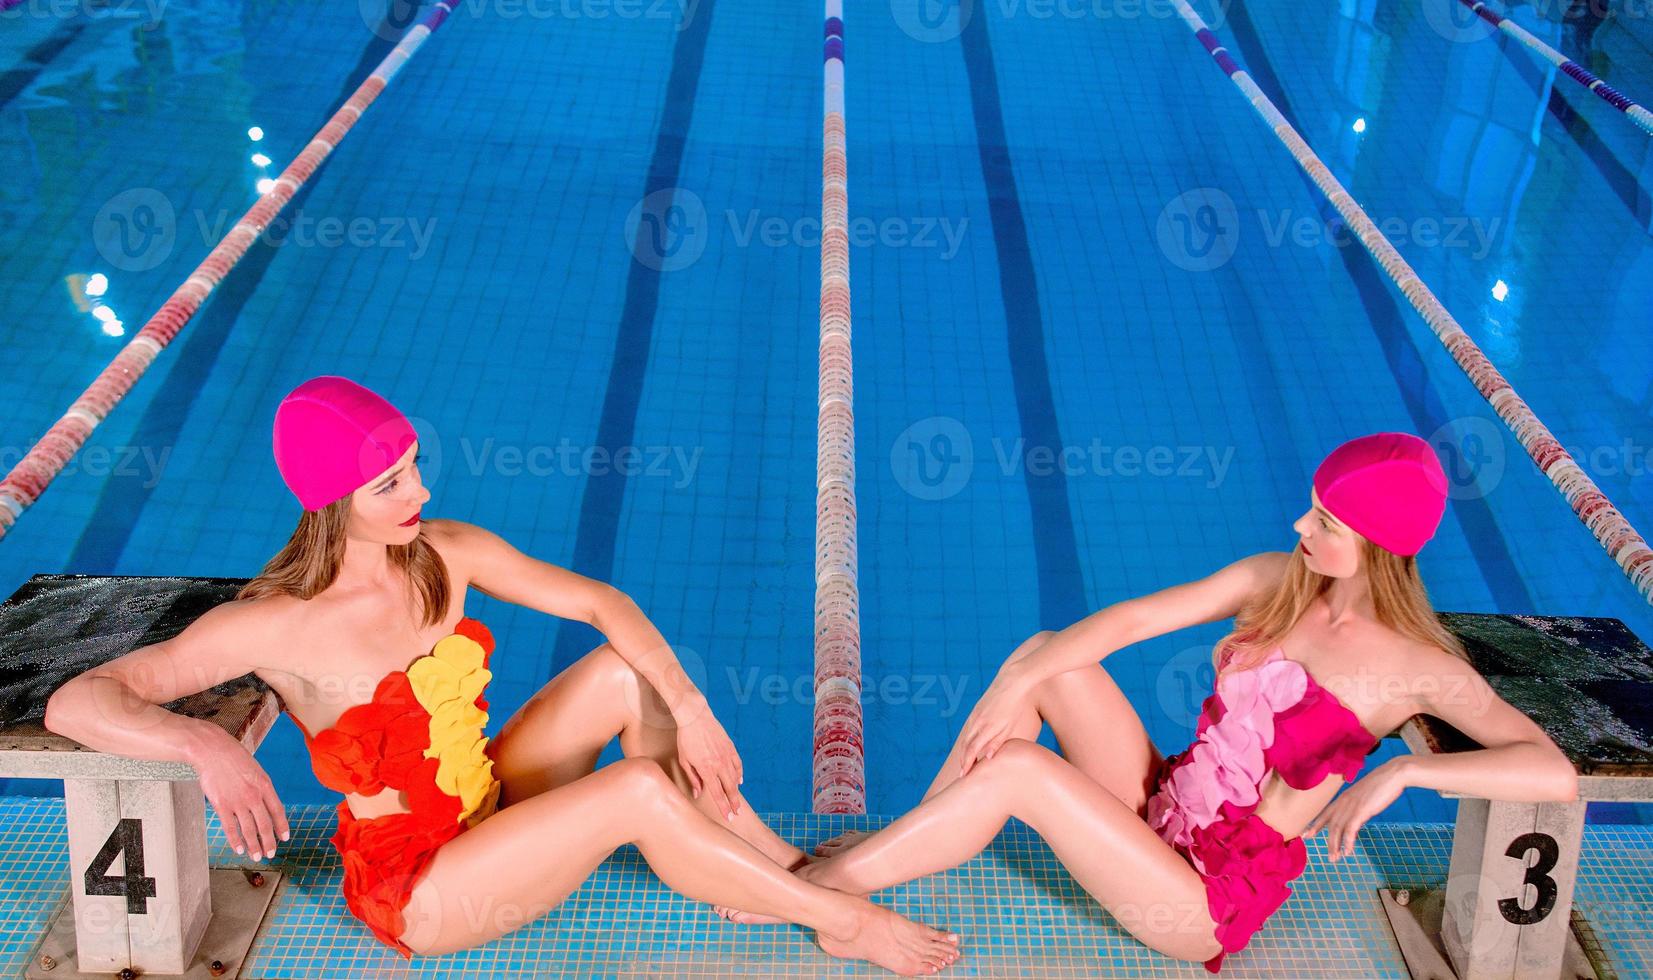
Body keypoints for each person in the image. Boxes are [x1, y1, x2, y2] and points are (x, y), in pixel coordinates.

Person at [43, 375, 962, 976]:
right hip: (421, 886)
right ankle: (833, 918)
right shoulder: (273, 624)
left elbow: (604, 604)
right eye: (390, 484)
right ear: (331, 502)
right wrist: (198, 741)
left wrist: (690, 705)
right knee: (635, 790)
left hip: (484, 805)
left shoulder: (442, 553)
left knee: (621, 675)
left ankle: (774, 865)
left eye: (413, 469)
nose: (421, 496)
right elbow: (79, 698)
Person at [724, 432, 1579, 973]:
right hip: (1163, 806)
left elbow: (1551, 769)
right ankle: (879, 852)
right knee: (1040, 659)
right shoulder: (1279, 582)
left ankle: (817, 892)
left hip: (1203, 899)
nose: (1300, 527)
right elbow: (1130, 621)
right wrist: (1018, 680)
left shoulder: (1416, 668)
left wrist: (1403, 781)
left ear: (1379, 544)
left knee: (1021, 770)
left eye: (1324, 521)